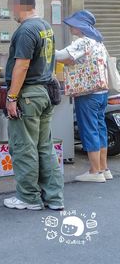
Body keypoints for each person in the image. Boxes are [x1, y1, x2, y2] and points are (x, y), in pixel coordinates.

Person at [2, 0, 64, 211]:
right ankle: (54, 197)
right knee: (44, 147)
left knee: (24, 147)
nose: (12, 12)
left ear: (18, 4)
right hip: (45, 92)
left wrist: (11, 97)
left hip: (28, 94)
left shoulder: (26, 30)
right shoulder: (45, 26)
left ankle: (28, 197)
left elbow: (22, 65)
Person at [56, 10, 111, 182]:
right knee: (100, 129)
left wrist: (46, 46)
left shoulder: (83, 42)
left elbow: (60, 55)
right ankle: (104, 169)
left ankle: (95, 172)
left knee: (89, 130)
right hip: (101, 92)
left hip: (87, 93)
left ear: (81, 26)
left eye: (73, 24)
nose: (70, 27)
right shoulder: (98, 42)